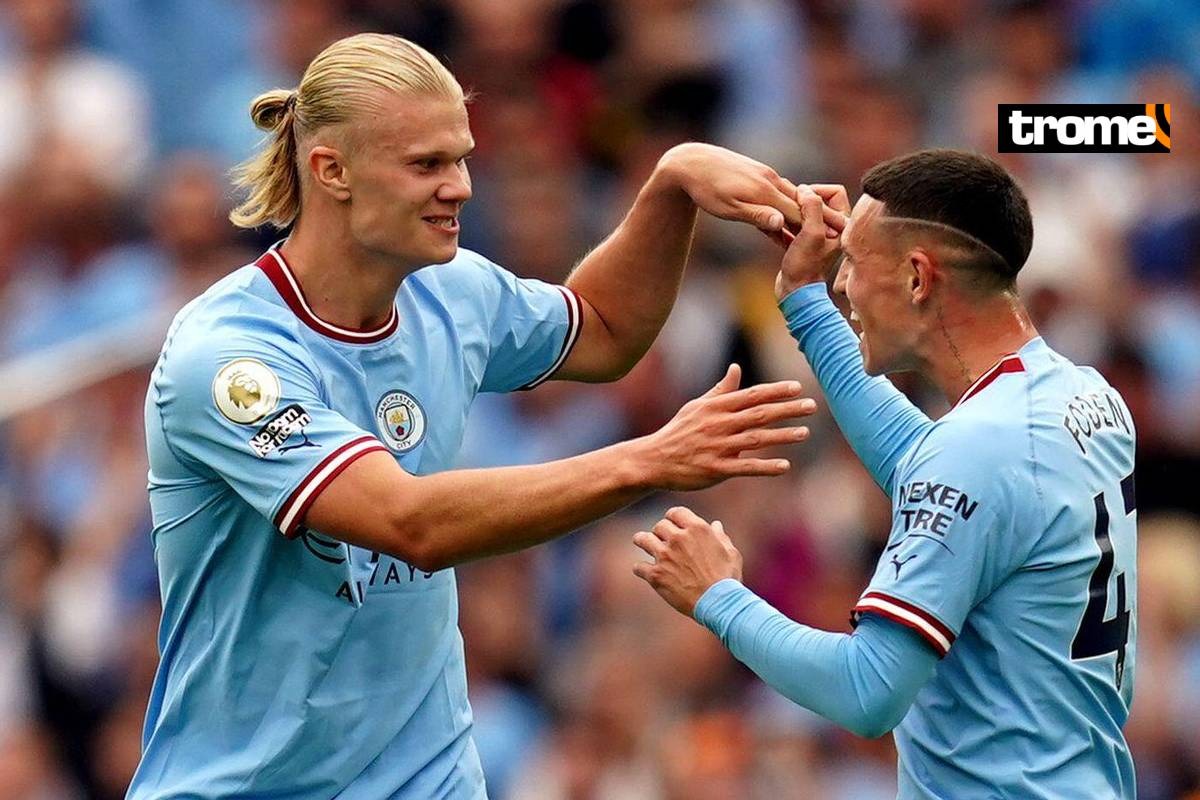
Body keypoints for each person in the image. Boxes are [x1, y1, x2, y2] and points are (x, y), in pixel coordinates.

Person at [132, 33, 824, 799]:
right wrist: (648, 460)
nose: (461, 187)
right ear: (332, 171)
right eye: (427, 164)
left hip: (426, 779)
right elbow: (408, 523)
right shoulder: (230, 360)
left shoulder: (449, 289)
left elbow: (603, 328)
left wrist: (670, 187)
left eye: (461, 159)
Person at [635, 149, 1138, 799]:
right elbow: (926, 462)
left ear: (918, 277)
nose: (844, 284)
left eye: (853, 263)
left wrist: (717, 597)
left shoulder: (980, 448)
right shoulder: (1083, 396)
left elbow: (867, 690)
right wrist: (804, 298)